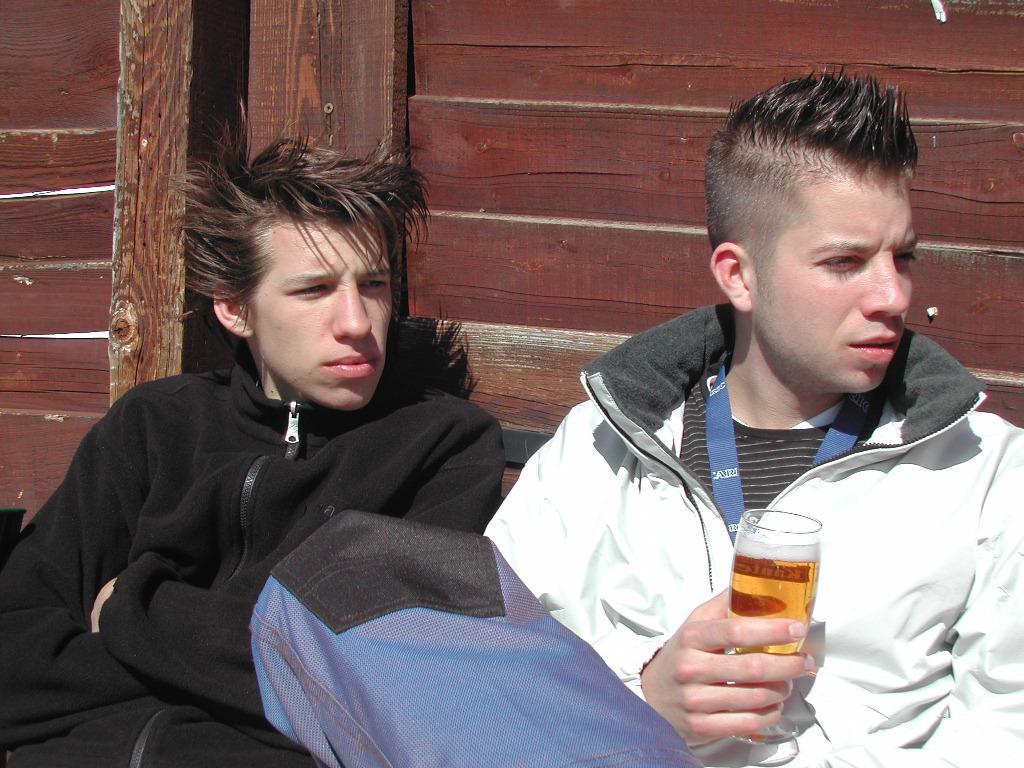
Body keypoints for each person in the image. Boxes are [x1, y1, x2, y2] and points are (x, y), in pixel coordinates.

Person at [486, 72, 1024, 767]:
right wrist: (644, 700)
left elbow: (1009, 729)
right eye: (845, 262)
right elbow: (493, 672)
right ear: (738, 275)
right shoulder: (600, 447)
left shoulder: (985, 471)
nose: (894, 295)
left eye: (904, 257)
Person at [0, 134, 505, 766]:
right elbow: (14, 654)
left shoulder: (443, 446)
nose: (358, 321)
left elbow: (371, 689)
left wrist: (137, 609)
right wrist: (237, 671)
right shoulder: (152, 426)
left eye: (373, 284)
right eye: (314, 289)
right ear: (236, 309)